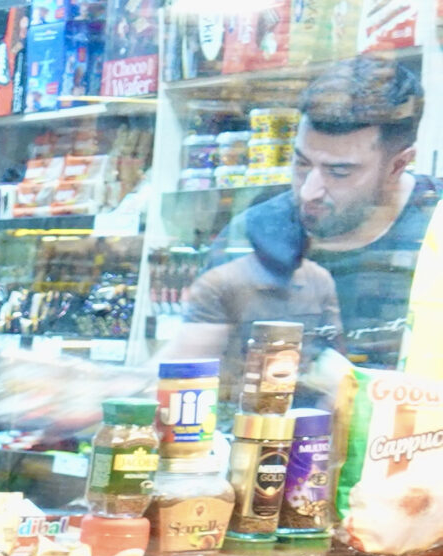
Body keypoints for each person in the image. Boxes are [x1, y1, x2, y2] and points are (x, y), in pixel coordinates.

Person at [172, 54, 435, 373]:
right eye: (302, 163)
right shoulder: (253, 234)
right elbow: (187, 370)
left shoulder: (435, 225)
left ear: (397, 165)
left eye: (338, 172)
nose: (310, 191)